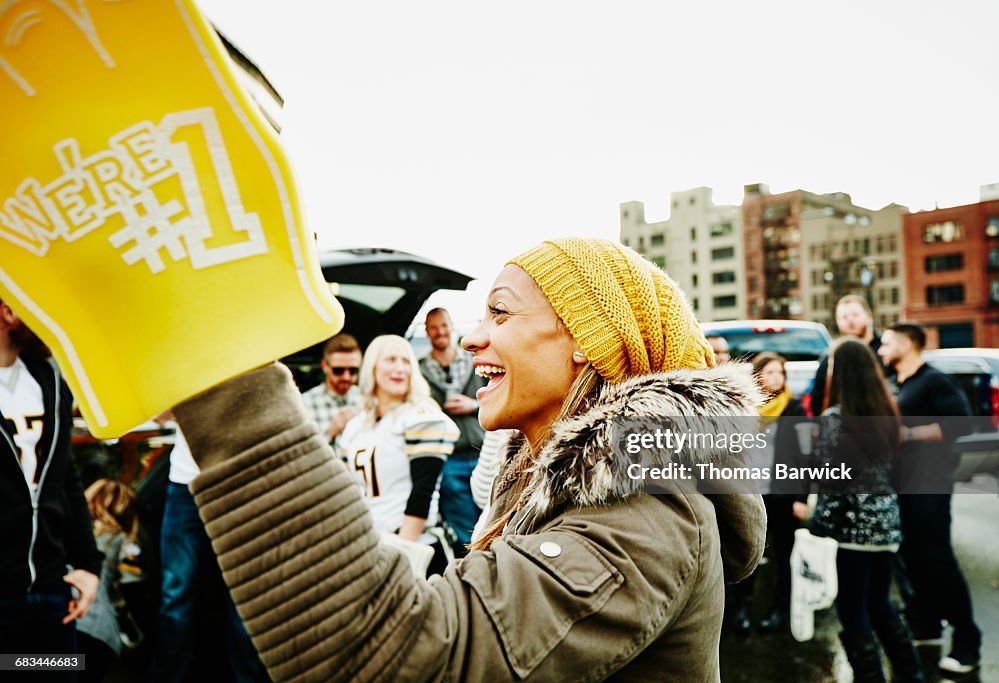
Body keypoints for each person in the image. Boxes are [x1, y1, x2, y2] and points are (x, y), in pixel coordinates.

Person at [169, 237, 765, 681]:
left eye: (500, 313)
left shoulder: (647, 508)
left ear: (591, 340)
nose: (471, 337)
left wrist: (221, 365)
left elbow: (396, 654)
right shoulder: (556, 480)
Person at [802, 338, 923, 683]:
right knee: (880, 604)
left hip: (851, 534)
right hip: (885, 529)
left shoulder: (835, 419)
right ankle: (911, 674)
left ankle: (871, 677)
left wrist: (817, 526)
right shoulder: (888, 414)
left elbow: (832, 484)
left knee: (853, 612)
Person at [0, 298, 102, 678]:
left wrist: (89, 565)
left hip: (50, 591)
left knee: (57, 670)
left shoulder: (49, 381)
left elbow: (65, 479)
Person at [878, 322, 981, 676]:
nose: (880, 349)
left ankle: (968, 643)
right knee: (913, 559)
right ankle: (927, 626)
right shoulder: (896, 382)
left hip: (930, 484)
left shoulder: (934, 381)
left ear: (908, 344)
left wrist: (907, 433)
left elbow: (961, 424)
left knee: (939, 561)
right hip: (902, 484)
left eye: (887, 343)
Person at [149, 426, 268, 683]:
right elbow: (159, 412)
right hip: (187, 482)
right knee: (176, 596)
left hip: (241, 483)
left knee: (243, 597)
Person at [338, 335, 459, 576]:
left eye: (406, 361)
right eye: (391, 360)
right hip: (374, 543)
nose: (400, 368)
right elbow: (349, 492)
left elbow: (422, 492)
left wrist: (404, 552)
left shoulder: (420, 415)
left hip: (417, 546)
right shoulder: (356, 426)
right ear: (372, 367)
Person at [747, 352, 807, 634]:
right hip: (751, 493)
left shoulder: (794, 408)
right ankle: (744, 609)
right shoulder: (745, 407)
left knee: (785, 556)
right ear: (757, 375)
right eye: (769, 372)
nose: (775, 378)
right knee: (749, 554)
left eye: (780, 373)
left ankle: (780, 611)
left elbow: (806, 456)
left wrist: (801, 497)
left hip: (782, 494)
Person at [419, 308, 485, 552]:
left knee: (492, 518)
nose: (440, 332)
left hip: (482, 453)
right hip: (448, 459)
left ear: (452, 325)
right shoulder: (420, 369)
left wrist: (473, 405)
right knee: (463, 527)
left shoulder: (475, 360)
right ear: (427, 332)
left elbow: (501, 394)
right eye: (434, 327)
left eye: (444, 325)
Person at [77, 479, 145, 683]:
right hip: (95, 637)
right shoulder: (125, 541)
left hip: (52, 633)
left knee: (17, 663)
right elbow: (132, 588)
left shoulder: (60, 534)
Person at [809, 295, 884, 416]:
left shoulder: (885, 350)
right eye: (844, 317)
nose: (850, 320)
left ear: (869, 317)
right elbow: (818, 398)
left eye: (855, 315)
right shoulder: (831, 357)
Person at [301, 332, 362, 448]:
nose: (346, 377)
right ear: (325, 366)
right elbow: (301, 453)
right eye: (338, 370)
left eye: (353, 370)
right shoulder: (304, 404)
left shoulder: (367, 400)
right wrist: (329, 433)